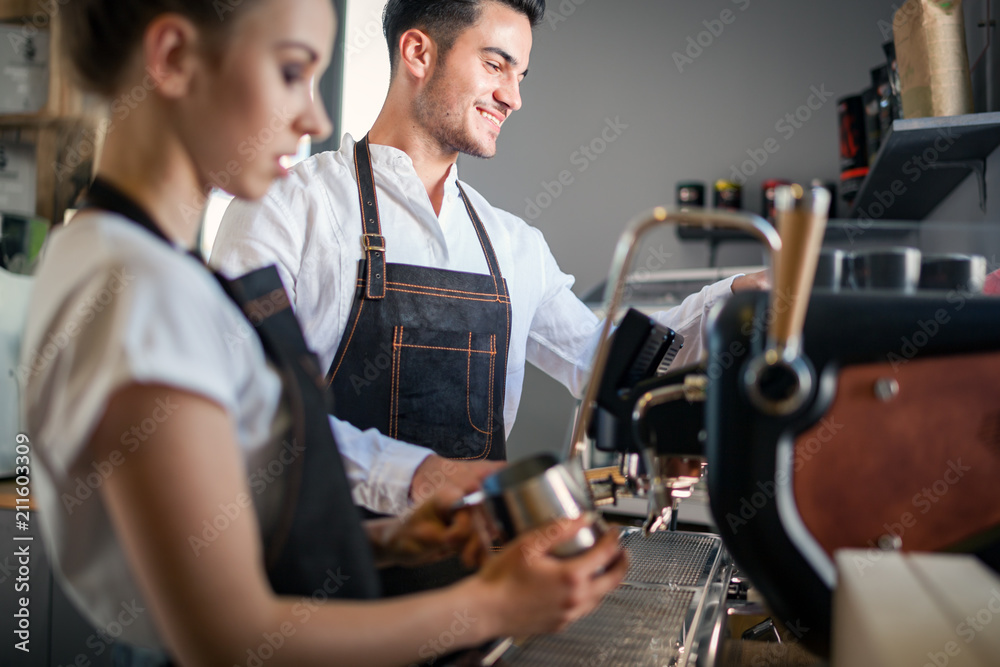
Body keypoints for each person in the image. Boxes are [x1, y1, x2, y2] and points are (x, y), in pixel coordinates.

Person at [20, 1, 627, 665]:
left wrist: (389, 539)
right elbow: (229, 635)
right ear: (171, 58)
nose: (313, 118)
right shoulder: (140, 291)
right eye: (290, 71)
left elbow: (228, 528)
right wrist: (497, 605)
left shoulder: (117, 256)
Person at [211, 0, 767, 516]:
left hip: (475, 572)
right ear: (419, 53)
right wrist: (421, 476)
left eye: (520, 76)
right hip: (321, 577)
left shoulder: (511, 244)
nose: (513, 97)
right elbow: (244, 405)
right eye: (497, 65)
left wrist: (738, 297)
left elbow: (609, 366)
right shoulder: (284, 208)